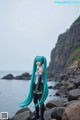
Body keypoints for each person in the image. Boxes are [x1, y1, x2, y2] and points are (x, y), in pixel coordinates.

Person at [19, 56, 49, 120]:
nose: (37, 62)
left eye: (38, 61)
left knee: (40, 101)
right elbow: (37, 78)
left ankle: (41, 117)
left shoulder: (41, 68)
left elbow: (40, 78)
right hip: (36, 85)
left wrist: (37, 87)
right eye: (36, 61)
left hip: (39, 86)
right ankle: (38, 115)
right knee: (35, 100)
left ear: (41, 61)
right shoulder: (39, 68)